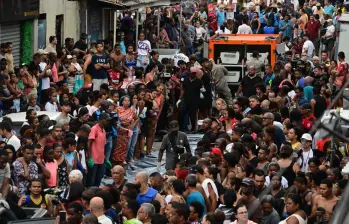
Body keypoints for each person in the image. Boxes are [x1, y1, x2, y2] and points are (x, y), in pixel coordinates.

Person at [87, 113, 112, 187]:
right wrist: (90, 157)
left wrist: (104, 158)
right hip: (94, 160)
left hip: (101, 159)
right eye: (107, 120)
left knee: (98, 179)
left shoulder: (103, 131)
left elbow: (102, 146)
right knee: (91, 179)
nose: (108, 122)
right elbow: (89, 143)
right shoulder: (94, 129)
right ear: (101, 120)